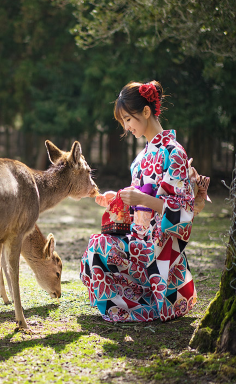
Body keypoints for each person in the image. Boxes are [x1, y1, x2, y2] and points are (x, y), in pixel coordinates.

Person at [80, 80, 197, 322]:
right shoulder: (141, 157)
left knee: (100, 247)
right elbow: (137, 208)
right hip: (139, 238)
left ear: (146, 111)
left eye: (128, 119)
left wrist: (141, 198)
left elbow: (184, 209)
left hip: (160, 247)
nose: (126, 126)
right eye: (122, 121)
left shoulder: (174, 153)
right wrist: (119, 200)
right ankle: (124, 301)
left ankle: (153, 301)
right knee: (96, 245)